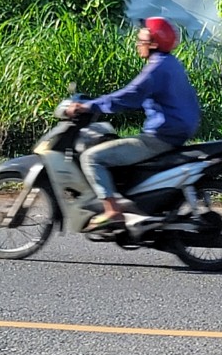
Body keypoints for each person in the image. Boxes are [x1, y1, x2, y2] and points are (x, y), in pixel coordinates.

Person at [69, 16, 201, 232]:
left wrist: (88, 106)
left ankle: (112, 210)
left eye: (141, 40)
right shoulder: (170, 63)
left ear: (154, 44)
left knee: (92, 157)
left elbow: (130, 96)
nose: (138, 44)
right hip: (175, 132)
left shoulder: (156, 68)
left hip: (160, 137)